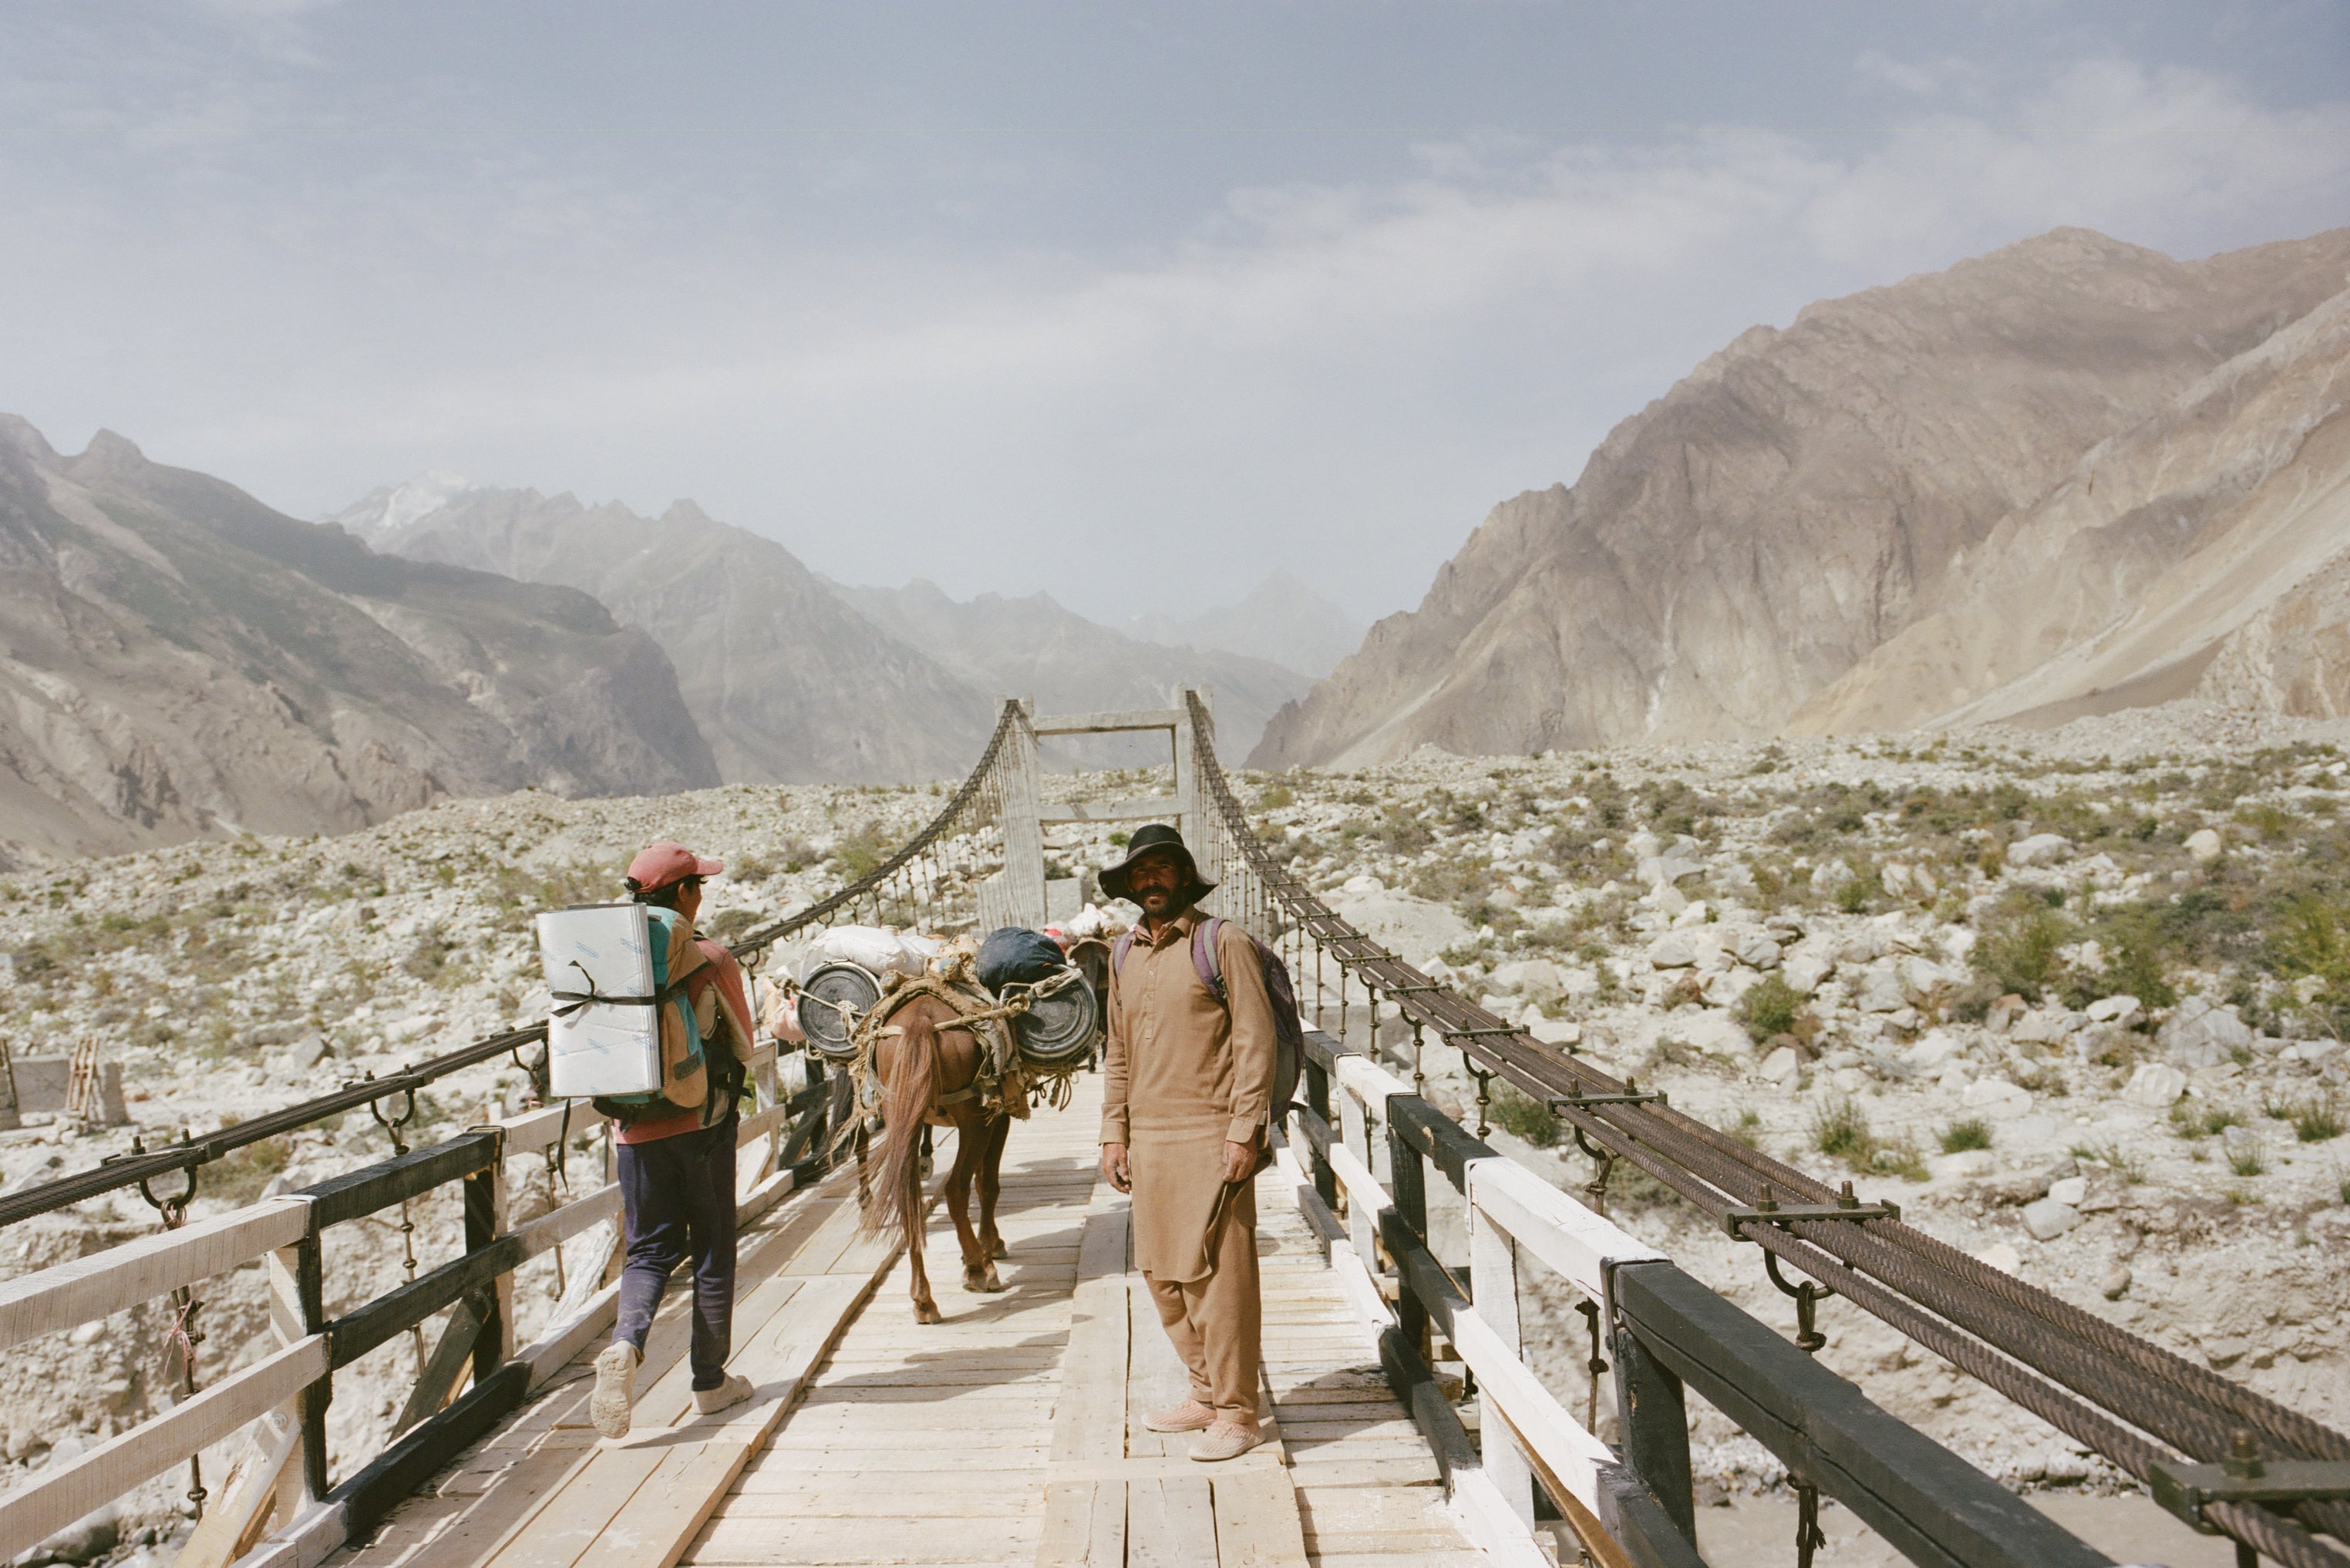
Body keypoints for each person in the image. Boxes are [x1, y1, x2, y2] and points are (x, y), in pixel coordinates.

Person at [1096, 823, 1278, 1462]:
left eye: (1162, 868)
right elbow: (1117, 1051)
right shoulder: (1122, 954)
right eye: (1141, 872)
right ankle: (1204, 1393)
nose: (1152, 880)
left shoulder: (1219, 942)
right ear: (1129, 884)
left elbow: (1257, 1040)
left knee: (1218, 1279)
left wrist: (1244, 1130)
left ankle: (1237, 1411)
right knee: (1161, 1272)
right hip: (1147, 1140)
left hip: (1210, 1132)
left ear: (1183, 875)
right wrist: (1113, 1133)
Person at [588, 841, 759, 1438]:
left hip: (632, 1130)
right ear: (682, 893)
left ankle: (627, 1344)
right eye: (698, 885)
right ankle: (710, 1384)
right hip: (702, 1125)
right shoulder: (710, 958)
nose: (703, 894)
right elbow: (745, 1044)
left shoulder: (602, 962)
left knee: (648, 1250)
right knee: (712, 1246)